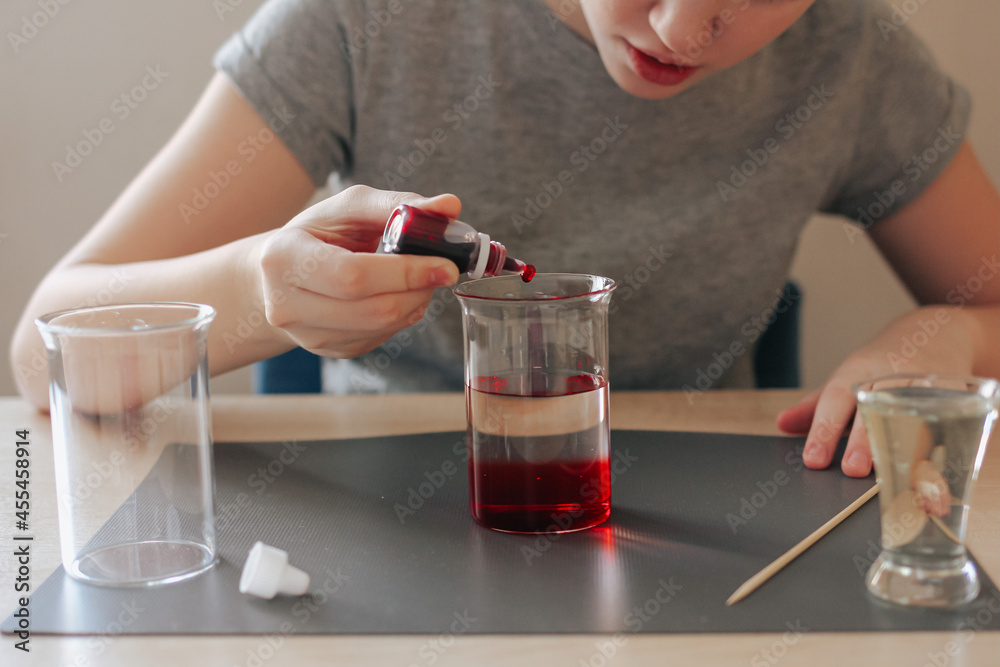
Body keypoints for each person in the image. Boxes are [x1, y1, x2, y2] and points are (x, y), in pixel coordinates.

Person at [11, 0, 999, 480]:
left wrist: (947, 338)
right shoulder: (369, 20)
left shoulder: (851, 56)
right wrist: (255, 291)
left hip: (706, 560)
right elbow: (41, 349)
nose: (682, 25)